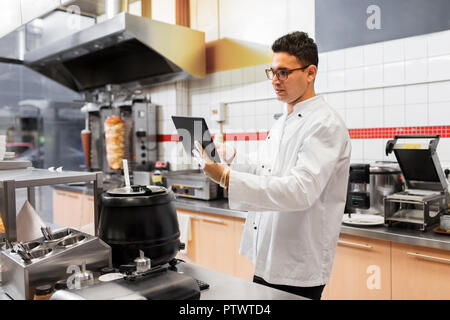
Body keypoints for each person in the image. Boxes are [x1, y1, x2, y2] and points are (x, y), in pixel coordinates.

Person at [192, 31, 351, 300]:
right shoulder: (284, 119)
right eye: (273, 72)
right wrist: (231, 157)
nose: (275, 81)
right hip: (269, 255)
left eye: (284, 73)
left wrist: (227, 178)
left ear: (310, 73)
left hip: (298, 264)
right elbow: (266, 170)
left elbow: (300, 190)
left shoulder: (325, 124)